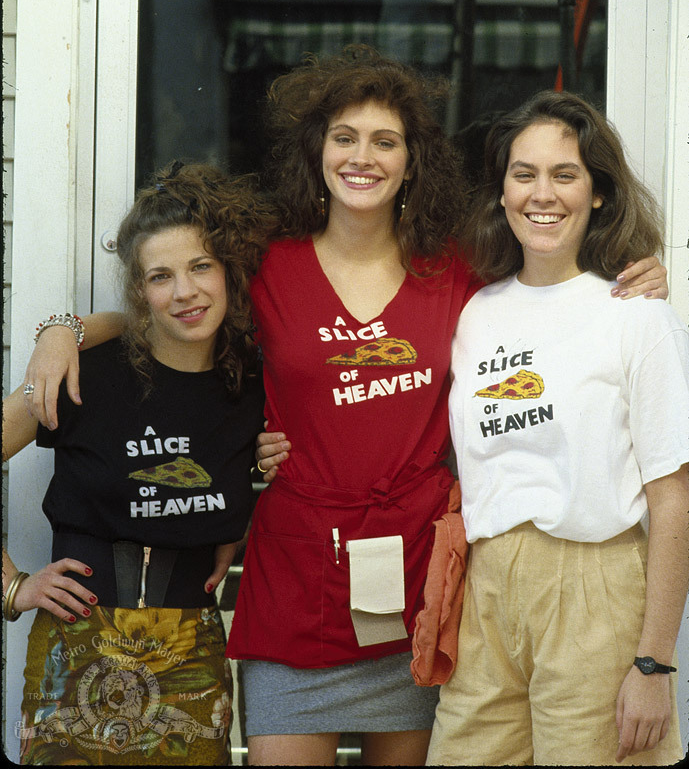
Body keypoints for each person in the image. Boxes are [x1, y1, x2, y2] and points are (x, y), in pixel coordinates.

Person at [21, 50, 668, 767]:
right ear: (316, 151)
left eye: (384, 141)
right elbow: (169, 307)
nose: (363, 156)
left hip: (419, 584)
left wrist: (634, 267)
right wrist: (66, 328)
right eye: (344, 137)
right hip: (296, 581)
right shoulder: (265, 262)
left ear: (413, 160)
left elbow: (549, 285)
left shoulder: (457, 268)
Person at [426, 91, 689, 766]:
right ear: (502, 189)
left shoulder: (635, 314)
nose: (542, 194)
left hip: (594, 586)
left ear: (598, 191)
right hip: (484, 589)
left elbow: (671, 498)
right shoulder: (475, 310)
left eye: (564, 174)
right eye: (523, 174)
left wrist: (655, 663)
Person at [3, 162, 272, 765]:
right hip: (77, 648)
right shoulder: (84, 373)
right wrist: (13, 586)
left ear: (228, 272)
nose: (185, 291)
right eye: (161, 276)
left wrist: (238, 522)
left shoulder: (250, 382)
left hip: (192, 656)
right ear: (139, 290)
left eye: (201, 266)